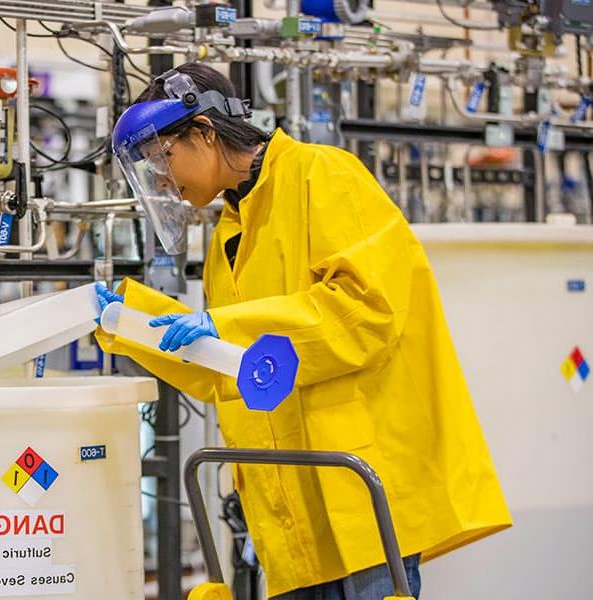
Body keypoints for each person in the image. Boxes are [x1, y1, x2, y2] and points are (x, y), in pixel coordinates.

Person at [95, 63, 512, 600]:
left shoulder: (323, 174)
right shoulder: (231, 229)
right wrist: (129, 322)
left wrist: (223, 322)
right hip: (289, 504)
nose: (163, 180)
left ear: (203, 132)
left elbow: (368, 311)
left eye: (163, 159)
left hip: (356, 488)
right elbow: (233, 365)